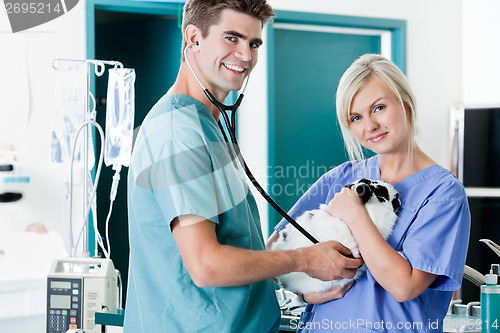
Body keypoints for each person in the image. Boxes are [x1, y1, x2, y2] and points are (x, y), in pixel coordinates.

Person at [123, 1, 363, 332]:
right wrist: (305, 259)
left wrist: (298, 288)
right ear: (193, 37)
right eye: (231, 38)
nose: (246, 56)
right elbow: (207, 265)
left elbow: (235, 252)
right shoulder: (179, 134)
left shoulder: (210, 125)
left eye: (253, 44)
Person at [267, 54, 471, 332]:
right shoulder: (341, 177)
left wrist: (355, 215)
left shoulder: (443, 193)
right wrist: (305, 294)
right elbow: (274, 251)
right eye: (356, 117)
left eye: (379, 107)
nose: (370, 125)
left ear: (405, 102)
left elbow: (404, 286)